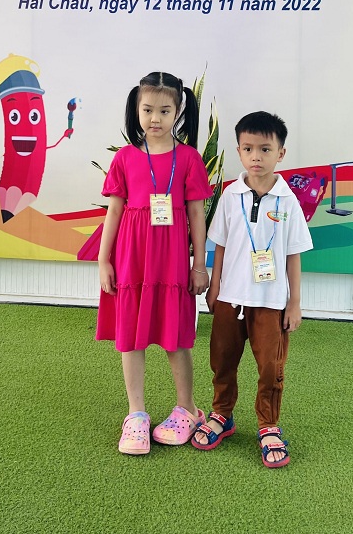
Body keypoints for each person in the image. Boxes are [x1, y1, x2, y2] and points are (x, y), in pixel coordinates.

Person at [96, 71, 212, 455]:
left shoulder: (190, 159)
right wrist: (103, 260)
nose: (155, 118)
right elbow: (114, 212)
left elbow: (196, 215)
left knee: (175, 336)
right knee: (131, 337)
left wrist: (199, 264)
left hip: (172, 261)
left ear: (178, 111)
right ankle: (136, 415)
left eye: (164, 110)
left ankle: (187, 409)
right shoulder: (125, 158)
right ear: (136, 109)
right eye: (147, 109)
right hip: (132, 259)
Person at [192, 111, 312, 468]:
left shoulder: (288, 201)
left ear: (281, 153)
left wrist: (294, 303)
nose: (256, 156)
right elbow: (221, 245)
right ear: (239, 152)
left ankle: (268, 424)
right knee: (222, 360)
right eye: (248, 149)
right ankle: (222, 414)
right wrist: (215, 287)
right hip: (230, 298)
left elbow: (293, 255)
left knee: (270, 367)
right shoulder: (231, 195)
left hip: (271, 301)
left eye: (265, 149)